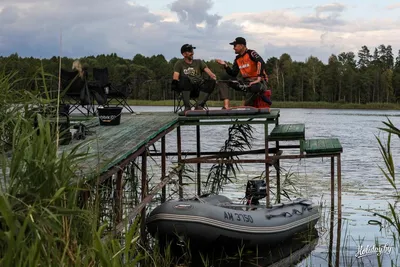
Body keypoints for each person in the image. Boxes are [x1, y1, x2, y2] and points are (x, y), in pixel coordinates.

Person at [216, 37, 270, 109]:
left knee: (254, 87)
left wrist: (258, 78)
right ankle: (226, 106)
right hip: (246, 83)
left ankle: (252, 102)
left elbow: (260, 62)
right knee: (224, 78)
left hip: (258, 83)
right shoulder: (237, 59)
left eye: (235, 46)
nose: (233, 48)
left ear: (242, 45)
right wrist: (225, 65)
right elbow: (233, 73)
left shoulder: (251, 53)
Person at [171, 44, 217, 112]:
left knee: (211, 81)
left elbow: (210, 73)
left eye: (192, 51)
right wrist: (175, 85)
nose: (192, 53)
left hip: (199, 89)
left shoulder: (199, 62)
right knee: (184, 79)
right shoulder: (179, 63)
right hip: (186, 89)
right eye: (189, 51)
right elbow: (175, 76)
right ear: (184, 54)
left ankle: (199, 105)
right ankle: (187, 107)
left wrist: (213, 77)